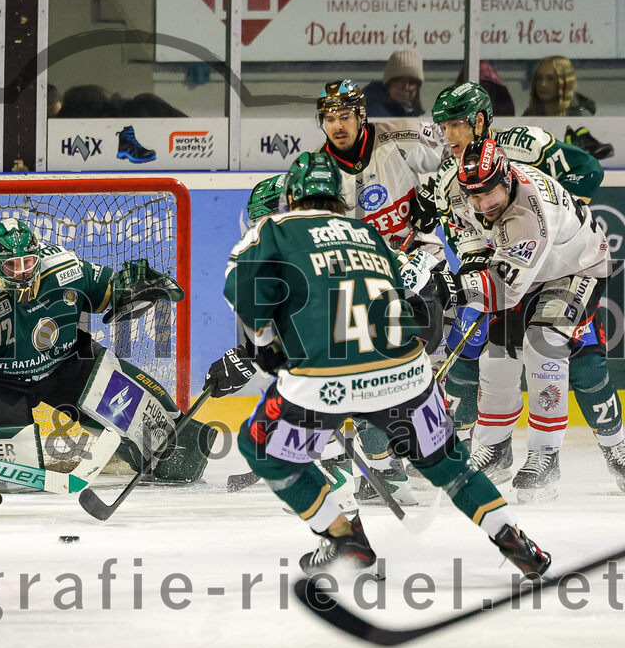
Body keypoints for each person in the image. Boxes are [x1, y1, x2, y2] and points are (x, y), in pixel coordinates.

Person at [212, 151, 550, 577]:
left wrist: (264, 349)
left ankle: (343, 539)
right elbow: (407, 290)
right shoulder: (366, 233)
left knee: (261, 447)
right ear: (339, 195)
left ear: (291, 196)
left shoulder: (272, 229)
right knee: (447, 463)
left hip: (326, 378)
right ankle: (511, 537)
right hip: (406, 372)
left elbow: (239, 291)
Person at [415, 82, 624, 496]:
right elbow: (467, 234)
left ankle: (548, 456)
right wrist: (467, 269)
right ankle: (494, 450)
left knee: (547, 343)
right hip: (517, 266)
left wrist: (454, 289)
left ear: (479, 121)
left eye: (457, 124)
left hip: (573, 266)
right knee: (498, 352)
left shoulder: (525, 192)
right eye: (444, 126)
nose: (449, 135)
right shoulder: (455, 180)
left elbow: (503, 287)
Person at [0, 219, 215, 485]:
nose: (21, 273)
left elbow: (107, 290)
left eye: (27, 263)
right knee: (13, 474)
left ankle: (168, 459)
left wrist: (131, 290)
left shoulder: (64, 267)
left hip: (67, 363)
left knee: (147, 418)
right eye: (11, 266)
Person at [316, 78, 448, 504]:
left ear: (361, 115)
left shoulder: (405, 137)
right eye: (329, 118)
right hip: (367, 278)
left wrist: (438, 198)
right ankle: (387, 464)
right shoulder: (319, 172)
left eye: (345, 116)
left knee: (430, 362)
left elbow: (462, 163)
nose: (337, 125)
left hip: (421, 261)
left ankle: (428, 447)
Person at [523, 56, 595, 117]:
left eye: (550, 79)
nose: (543, 84)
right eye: (539, 78)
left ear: (565, 82)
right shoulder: (528, 116)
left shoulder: (580, 117)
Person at [363, 48, 425, 117]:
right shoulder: (371, 109)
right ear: (388, 83)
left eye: (412, 82)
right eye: (400, 81)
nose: (406, 87)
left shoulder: (413, 110)